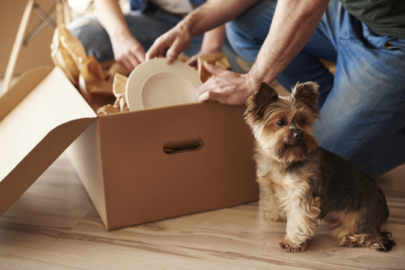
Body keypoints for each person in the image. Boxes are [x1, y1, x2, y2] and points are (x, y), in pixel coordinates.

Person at [146, 0, 405, 178]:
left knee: (307, 168)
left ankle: (383, 118)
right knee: (244, 26)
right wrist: (187, 27)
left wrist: (252, 80)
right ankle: (337, 110)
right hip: (351, 16)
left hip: (397, 41)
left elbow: (305, 4)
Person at [68, 0, 244, 72]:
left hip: (214, 24)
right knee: (79, 36)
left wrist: (211, 49)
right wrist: (120, 37)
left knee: (227, 72)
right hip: (154, 19)